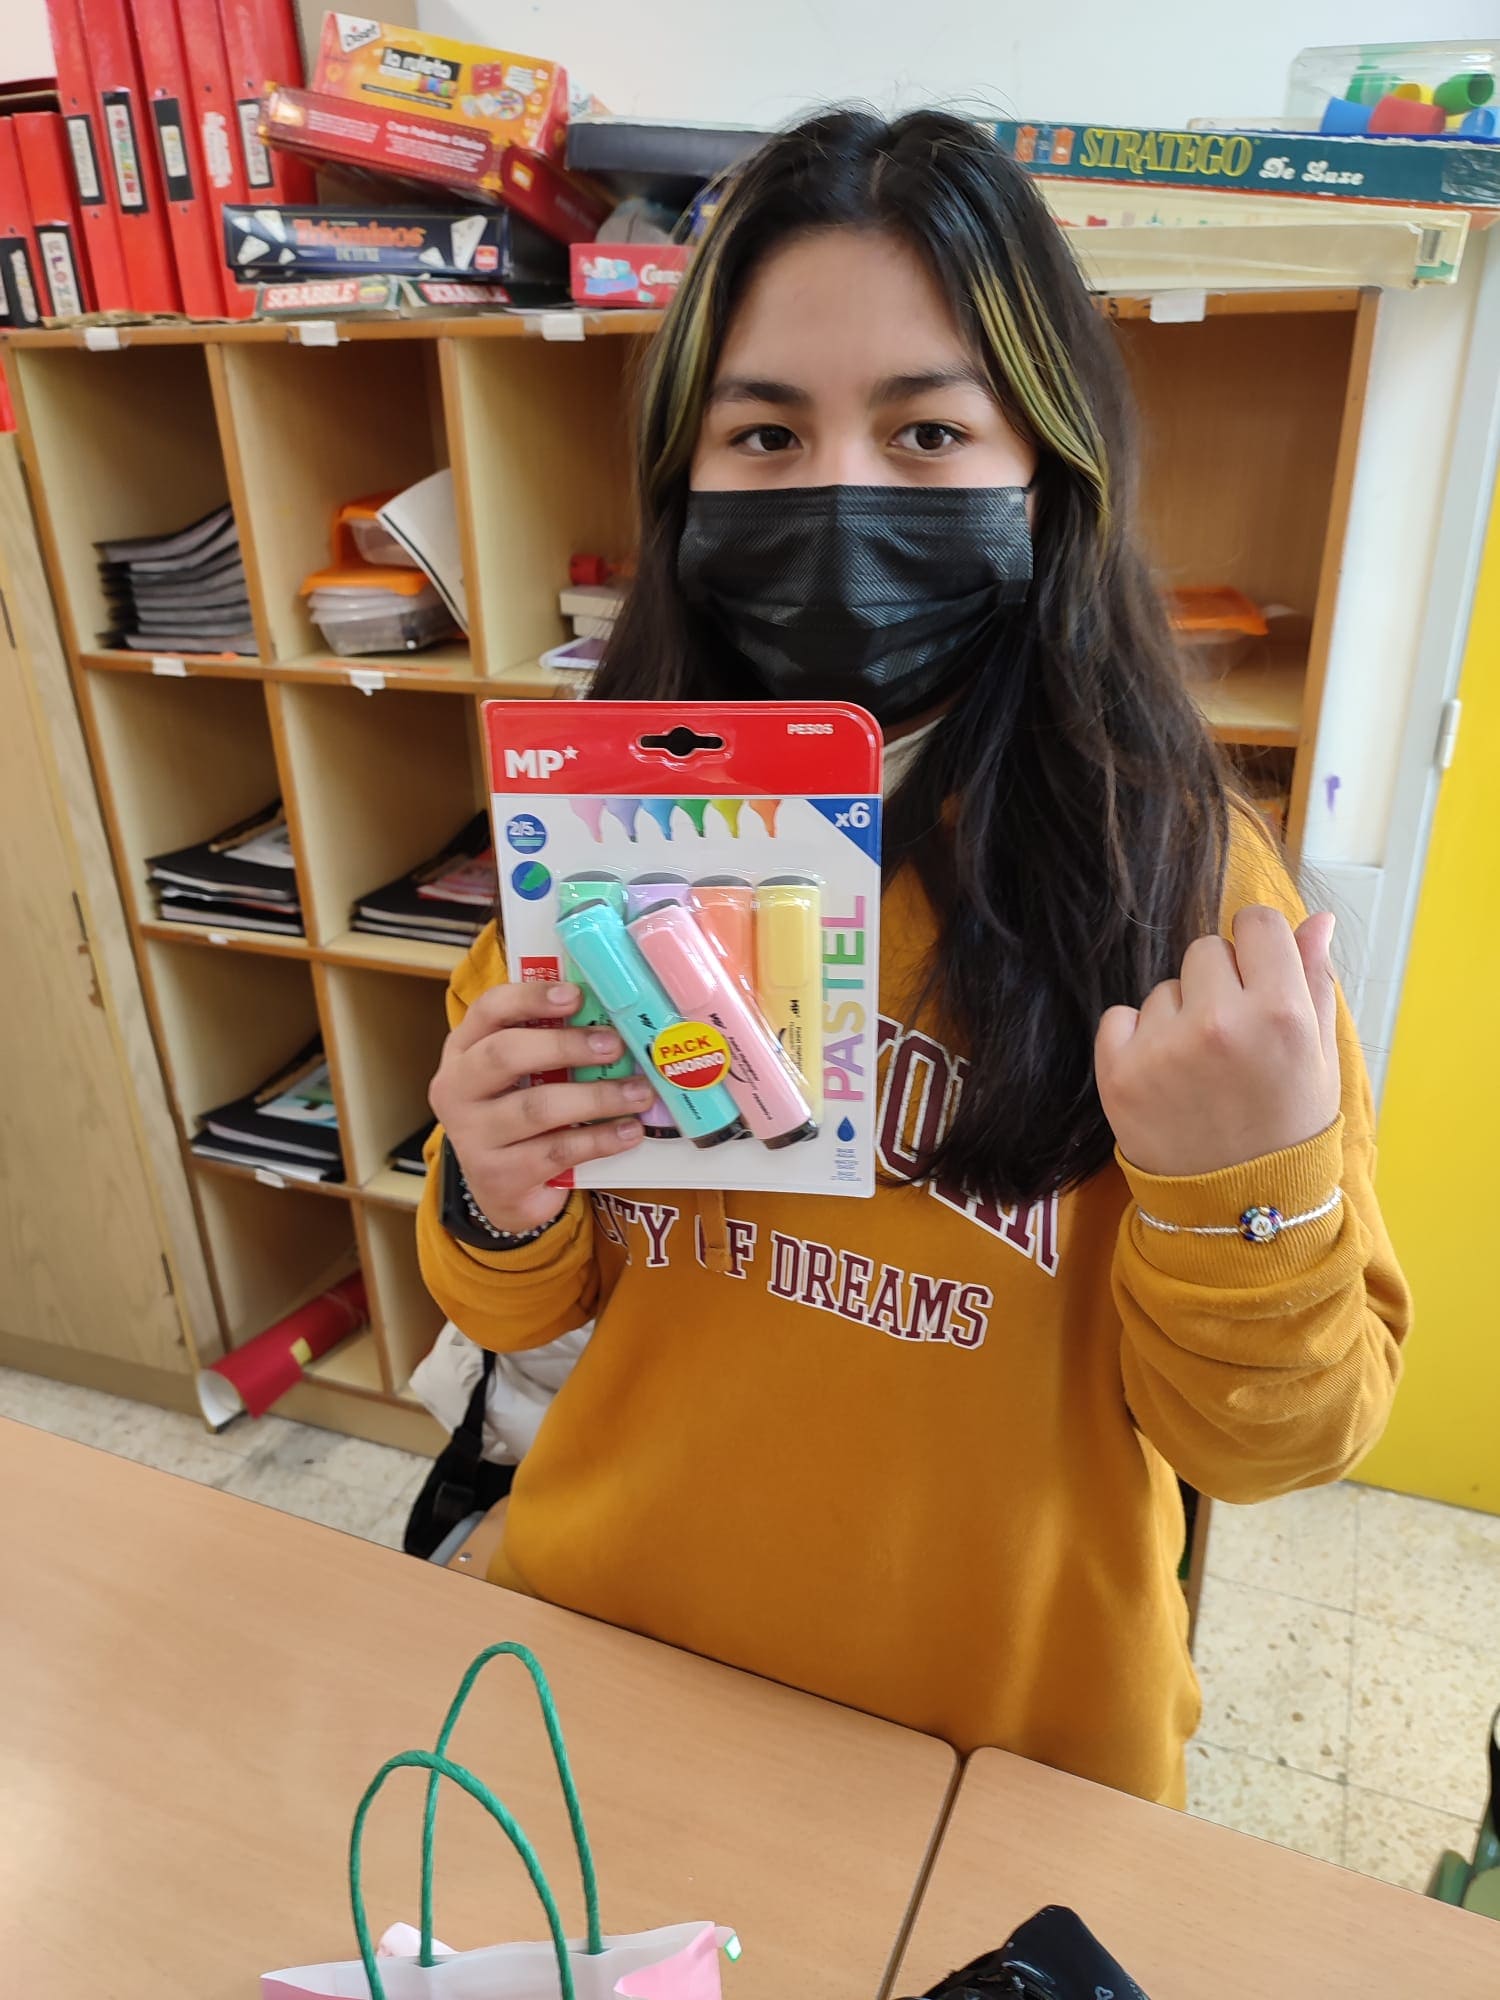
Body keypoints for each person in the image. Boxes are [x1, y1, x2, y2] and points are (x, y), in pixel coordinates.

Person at [417, 108, 1409, 1806]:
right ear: (683, 482)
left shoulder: (1182, 886)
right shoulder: (596, 843)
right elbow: (516, 1298)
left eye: (929, 430)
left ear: (1049, 470)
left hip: (999, 1756)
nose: (844, 494)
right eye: (765, 433)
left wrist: (1242, 1184)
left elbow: (1280, 1441)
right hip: (614, 1657)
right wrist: (492, 1194)